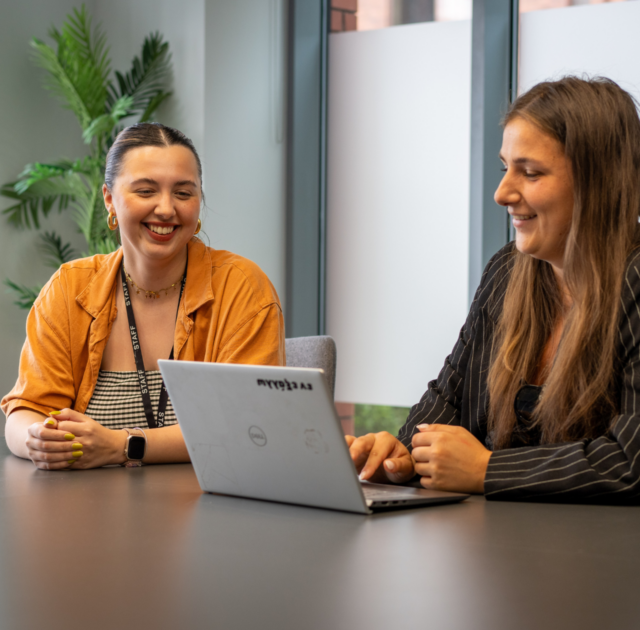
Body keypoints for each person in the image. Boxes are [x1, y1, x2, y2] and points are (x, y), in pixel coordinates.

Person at [348, 76, 640, 502]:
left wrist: (488, 469)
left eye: (531, 172)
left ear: (599, 182)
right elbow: (447, 399)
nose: (502, 193)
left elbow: (631, 461)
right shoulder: (508, 270)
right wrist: (404, 454)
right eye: (506, 168)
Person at [2, 123, 285, 470]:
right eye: (146, 191)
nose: (166, 209)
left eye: (183, 193)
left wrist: (125, 445)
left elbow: (249, 427)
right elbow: (25, 411)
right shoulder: (69, 288)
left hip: (209, 513)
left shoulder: (241, 287)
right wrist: (38, 438)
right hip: (85, 513)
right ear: (109, 198)